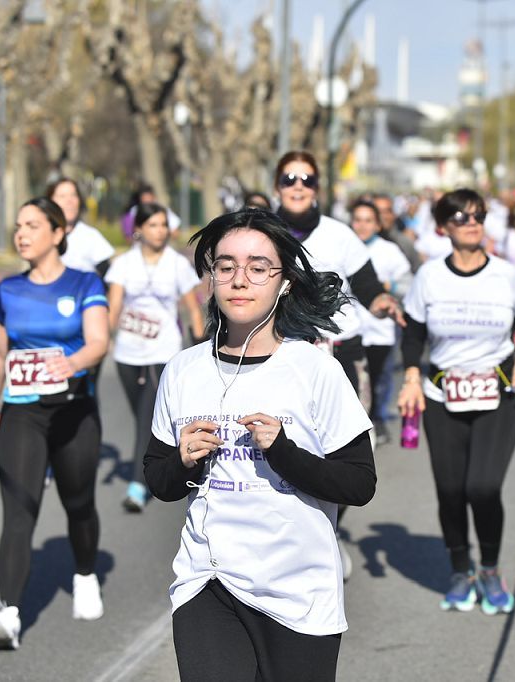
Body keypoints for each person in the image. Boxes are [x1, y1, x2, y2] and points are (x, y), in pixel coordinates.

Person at [143, 208, 376, 681]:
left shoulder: (314, 370)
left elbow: (359, 482)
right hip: (207, 581)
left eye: (257, 268)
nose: (239, 280)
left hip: (298, 593)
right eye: (225, 266)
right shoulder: (183, 370)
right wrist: (183, 460)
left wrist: (284, 453)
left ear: (284, 281)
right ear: (210, 278)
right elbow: (158, 479)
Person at [397, 188, 515, 614]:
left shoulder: (505, 274)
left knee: (483, 485)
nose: (471, 221)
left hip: (497, 392)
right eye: (460, 216)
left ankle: (491, 568)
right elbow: (414, 332)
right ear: (443, 227)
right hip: (443, 394)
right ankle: (462, 570)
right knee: (450, 489)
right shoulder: (429, 277)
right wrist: (410, 378)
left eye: (477, 215)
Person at [0, 197, 109, 649]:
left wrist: (69, 363)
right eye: (17, 225)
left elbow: (98, 341)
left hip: (74, 411)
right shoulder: (8, 290)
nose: (21, 233)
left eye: (32, 225)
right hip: (22, 411)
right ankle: (8, 613)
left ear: (57, 233)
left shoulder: (84, 282)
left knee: (79, 503)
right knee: (19, 510)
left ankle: (86, 574)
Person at [272, 150, 402, 578]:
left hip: (340, 352)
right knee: (284, 445)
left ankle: (329, 530)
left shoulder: (339, 235)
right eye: (289, 178)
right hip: (281, 352)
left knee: (341, 452)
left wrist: (384, 303)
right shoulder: (260, 231)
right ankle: (293, 534)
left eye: (306, 179)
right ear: (277, 185)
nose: (298, 185)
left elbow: (368, 287)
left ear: (317, 188)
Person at [106, 202, 204, 512]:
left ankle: (137, 486)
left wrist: (201, 342)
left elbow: (192, 307)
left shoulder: (177, 265)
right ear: (139, 229)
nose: (160, 231)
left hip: (163, 352)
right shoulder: (123, 264)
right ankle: (158, 459)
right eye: (153, 225)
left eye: (164, 225)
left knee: (146, 417)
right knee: (141, 417)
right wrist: (102, 342)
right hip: (127, 353)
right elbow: (114, 307)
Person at [350, 200, 412, 445]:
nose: (362, 226)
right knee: (353, 382)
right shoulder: (344, 247)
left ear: (377, 224)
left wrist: (389, 287)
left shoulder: (389, 250)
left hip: (381, 330)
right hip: (352, 330)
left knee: (378, 380)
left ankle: (378, 419)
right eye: (358, 220)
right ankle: (357, 427)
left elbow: (407, 282)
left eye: (368, 220)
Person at [48, 177, 115, 278]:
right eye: (62, 196)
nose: (69, 201)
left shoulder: (90, 236)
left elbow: (109, 278)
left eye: (73, 195)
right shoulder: (42, 236)